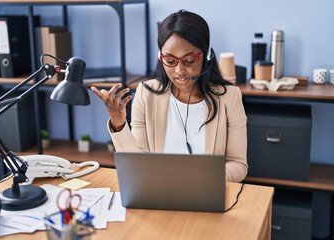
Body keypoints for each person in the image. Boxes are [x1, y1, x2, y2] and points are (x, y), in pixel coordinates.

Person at [91, 10, 248, 182]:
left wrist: (206, 180)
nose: (179, 70)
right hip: (159, 193)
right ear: (161, 57)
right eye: (170, 61)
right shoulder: (146, 94)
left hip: (207, 194)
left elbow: (238, 164)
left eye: (189, 60)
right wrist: (119, 124)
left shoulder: (229, 97)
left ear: (207, 55)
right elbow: (138, 161)